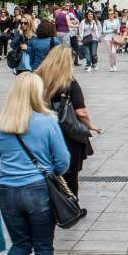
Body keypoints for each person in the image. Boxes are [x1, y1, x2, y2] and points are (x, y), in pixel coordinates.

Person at [0, 73, 70, 255]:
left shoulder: (1, 123)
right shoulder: (47, 122)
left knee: (21, 243)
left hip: (7, 192)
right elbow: (63, 161)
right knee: (44, 245)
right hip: (38, 191)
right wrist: (51, 173)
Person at [36, 47, 101, 198]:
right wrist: (90, 126)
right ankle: (71, 204)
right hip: (68, 134)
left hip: (43, 131)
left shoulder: (37, 79)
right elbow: (80, 112)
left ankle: (53, 201)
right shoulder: (70, 82)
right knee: (70, 174)